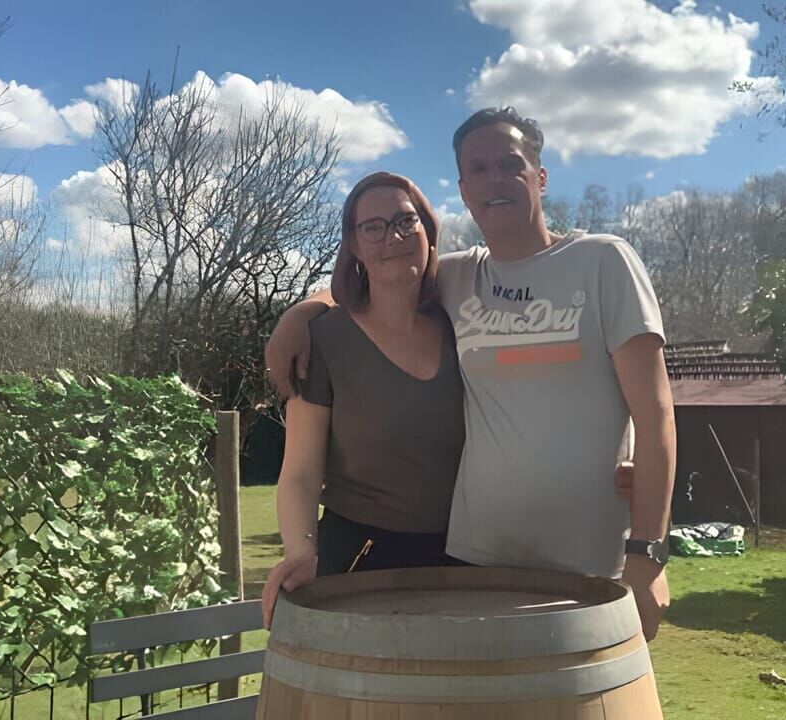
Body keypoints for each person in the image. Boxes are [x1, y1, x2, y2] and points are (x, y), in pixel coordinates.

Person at [267, 108, 675, 641]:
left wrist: (648, 554)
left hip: (589, 561)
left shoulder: (604, 262)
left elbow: (656, 413)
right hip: (476, 557)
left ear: (540, 176)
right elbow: (383, 279)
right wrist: (299, 314)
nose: (494, 179)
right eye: (478, 169)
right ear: (462, 190)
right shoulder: (460, 277)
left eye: (510, 164)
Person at [260, 172, 465, 628]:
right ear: (353, 244)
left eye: (405, 221)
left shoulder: (461, 322)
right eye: (373, 227)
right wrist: (300, 550)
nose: (393, 237)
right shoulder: (323, 341)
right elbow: (300, 472)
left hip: (462, 561)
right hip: (358, 562)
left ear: (428, 230)